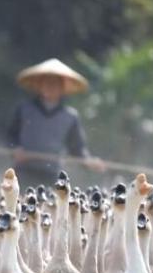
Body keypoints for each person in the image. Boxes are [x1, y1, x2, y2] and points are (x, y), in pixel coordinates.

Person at [8, 58, 106, 186]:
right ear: (40, 85)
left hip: (52, 175)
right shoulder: (24, 109)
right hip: (23, 171)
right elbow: (11, 136)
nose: (51, 87)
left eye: (55, 84)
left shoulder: (70, 116)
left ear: (62, 88)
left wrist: (88, 161)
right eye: (47, 83)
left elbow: (77, 148)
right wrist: (15, 149)